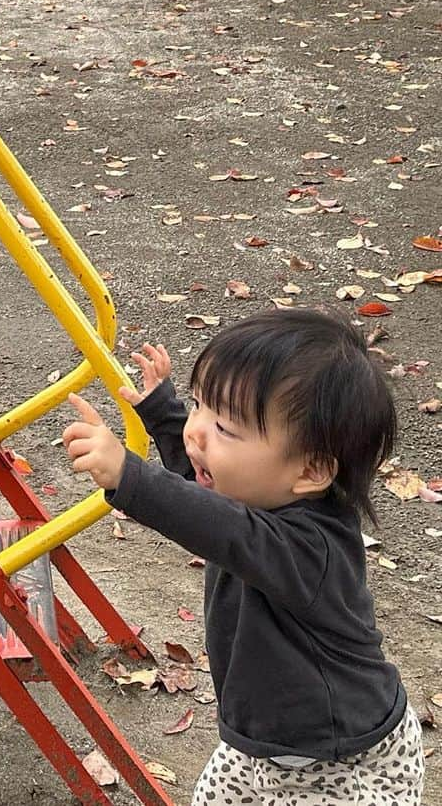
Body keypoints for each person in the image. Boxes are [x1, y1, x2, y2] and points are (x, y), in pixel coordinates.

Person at [63, 309, 424, 806]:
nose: (197, 432)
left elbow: (222, 528)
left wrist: (131, 475)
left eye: (226, 429)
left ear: (312, 469)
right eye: (198, 405)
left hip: (334, 762)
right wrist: (165, 413)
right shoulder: (259, 493)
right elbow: (202, 488)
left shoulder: (310, 548)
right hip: (264, 743)